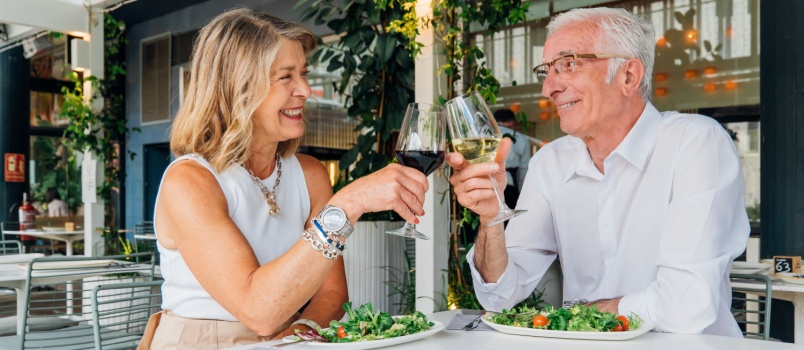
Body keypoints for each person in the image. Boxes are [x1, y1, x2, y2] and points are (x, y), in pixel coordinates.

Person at [445, 7, 749, 337]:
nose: (548, 88)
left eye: (568, 64)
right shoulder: (552, 163)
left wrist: (574, 316)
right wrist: (492, 219)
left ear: (629, 76)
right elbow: (500, 296)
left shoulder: (695, 144)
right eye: (546, 70)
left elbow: (687, 304)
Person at [144, 9, 428, 349]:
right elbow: (258, 309)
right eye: (286, 77)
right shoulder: (190, 182)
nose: (306, 90)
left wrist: (292, 339)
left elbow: (333, 295)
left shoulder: (309, 175)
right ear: (238, 86)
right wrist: (349, 203)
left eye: (304, 74)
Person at [492, 108, 530, 209]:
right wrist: (523, 195)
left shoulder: (485, 136)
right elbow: (524, 171)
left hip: (487, 185)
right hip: (509, 188)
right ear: (512, 123)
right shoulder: (521, 139)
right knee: (510, 223)